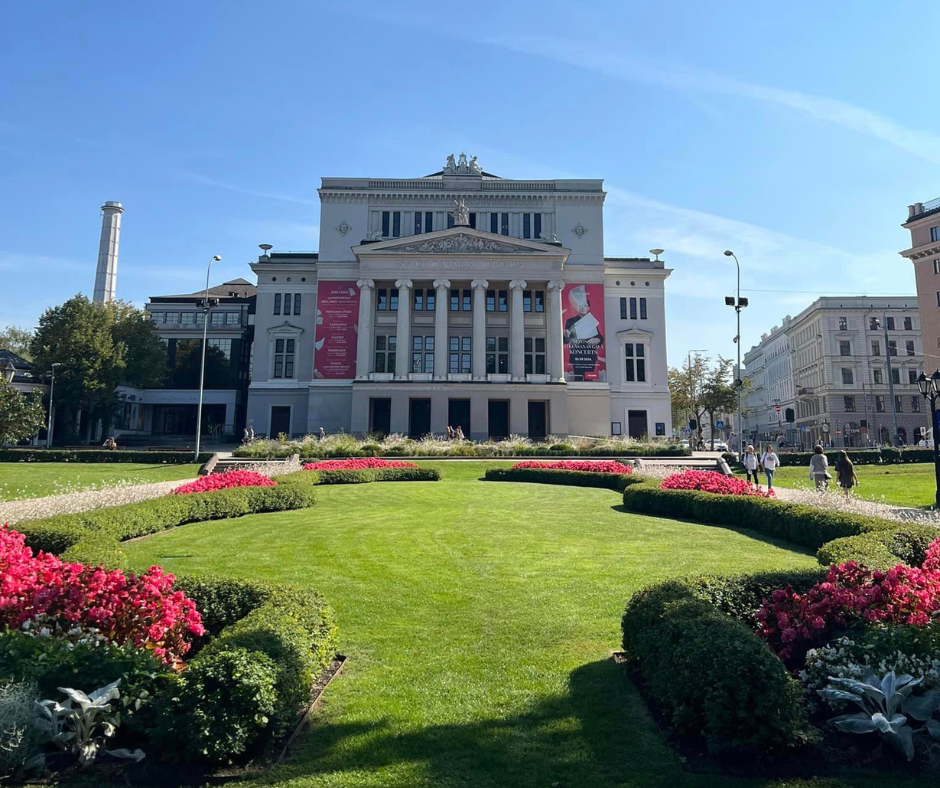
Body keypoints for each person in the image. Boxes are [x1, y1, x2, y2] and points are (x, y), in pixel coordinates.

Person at [563, 286, 604, 381]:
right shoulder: (570, 321)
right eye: (581, 306)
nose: (583, 308)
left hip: (590, 356)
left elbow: (600, 337)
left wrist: (597, 339)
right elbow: (565, 341)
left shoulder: (591, 321)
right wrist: (566, 336)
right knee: (578, 381)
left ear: (589, 308)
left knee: (589, 382)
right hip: (576, 356)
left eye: (585, 306)